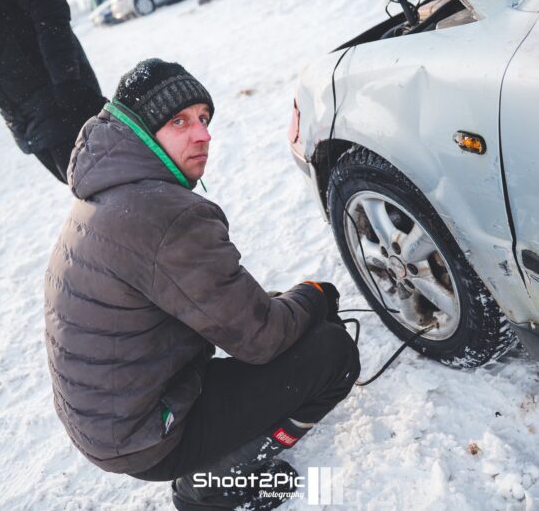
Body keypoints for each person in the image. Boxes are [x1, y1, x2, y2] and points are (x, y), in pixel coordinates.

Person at [44, 58, 360, 510]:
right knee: (333, 352)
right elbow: (262, 339)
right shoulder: (163, 214)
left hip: (111, 420)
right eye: (180, 121)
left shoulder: (107, 194)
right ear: (140, 130)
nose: (203, 135)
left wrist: (292, 305)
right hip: (147, 434)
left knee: (282, 315)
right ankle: (210, 487)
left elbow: (227, 312)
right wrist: (315, 295)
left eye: (204, 119)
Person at [0, 0, 106, 183]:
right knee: (90, 191)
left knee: (115, 184)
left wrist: (66, 80)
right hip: (27, 119)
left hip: (61, 99)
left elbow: (47, 6)